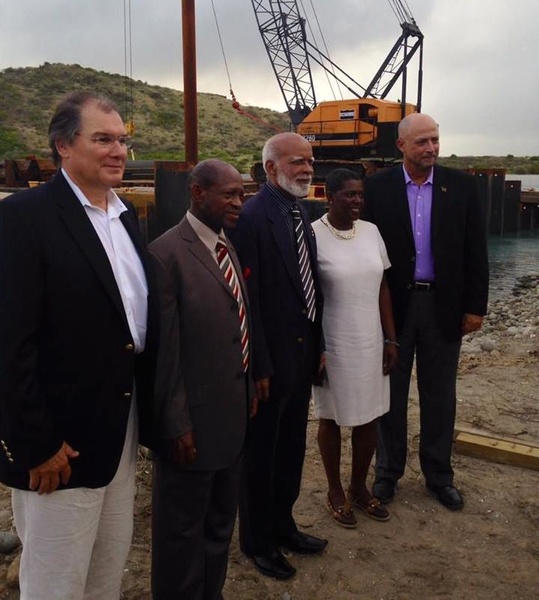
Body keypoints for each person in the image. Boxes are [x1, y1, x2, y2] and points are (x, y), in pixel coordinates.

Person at [0, 90, 158, 599]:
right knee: (54, 584)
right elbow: (8, 342)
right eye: (102, 139)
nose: (117, 151)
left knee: (104, 573)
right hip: (59, 445)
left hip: (120, 431)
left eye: (122, 141)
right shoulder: (25, 218)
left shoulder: (124, 216)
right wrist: (35, 444)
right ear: (64, 146)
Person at [362, 112, 489, 511]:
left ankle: (439, 476)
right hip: (393, 307)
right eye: (422, 142)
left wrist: (475, 307)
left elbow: (475, 250)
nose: (431, 148)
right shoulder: (376, 188)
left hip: (443, 305)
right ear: (401, 146)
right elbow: (367, 252)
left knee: (440, 395)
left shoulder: (461, 186)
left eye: (435, 140)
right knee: (391, 392)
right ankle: (387, 473)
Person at [149, 159, 257, 600]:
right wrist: (176, 424)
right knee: (181, 536)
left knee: (218, 527)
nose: (239, 202)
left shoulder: (225, 246)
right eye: (229, 195)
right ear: (197, 193)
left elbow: (238, 324)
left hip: (230, 421)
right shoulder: (165, 254)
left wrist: (249, 387)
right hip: (191, 427)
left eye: (242, 194)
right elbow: (165, 354)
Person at [230, 132, 327, 581]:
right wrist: (260, 366)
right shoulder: (251, 218)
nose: (307, 169)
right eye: (297, 162)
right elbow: (247, 301)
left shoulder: (299, 212)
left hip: (302, 355)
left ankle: (283, 525)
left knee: (291, 448)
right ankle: (257, 541)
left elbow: (310, 290)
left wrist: (319, 346)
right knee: (260, 455)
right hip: (270, 363)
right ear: (271, 168)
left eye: (309, 161)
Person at [311, 168, 398, 528]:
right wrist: (315, 348)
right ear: (330, 197)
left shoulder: (372, 232)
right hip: (332, 342)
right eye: (349, 194)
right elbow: (307, 296)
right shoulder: (313, 234)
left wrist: (390, 338)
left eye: (360, 194)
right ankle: (335, 490)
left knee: (370, 416)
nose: (357, 201)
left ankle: (359, 487)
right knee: (331, 416)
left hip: (370, 339)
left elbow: (382, 288)